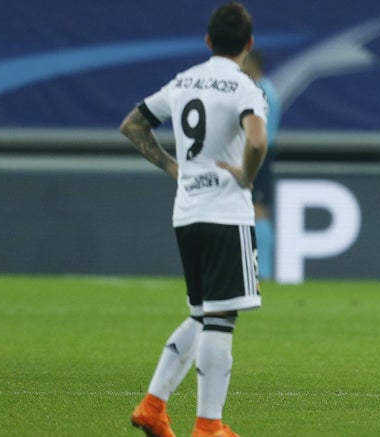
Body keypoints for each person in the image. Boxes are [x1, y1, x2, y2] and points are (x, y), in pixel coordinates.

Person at [120, 2, 267, 436]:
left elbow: (132, 125)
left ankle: (152, 405)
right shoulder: (245, 86)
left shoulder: (183, 81)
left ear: (208, 41)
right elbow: (256, 141)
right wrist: (245, 177)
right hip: (225, 213)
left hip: (187, 213)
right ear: (249, 44)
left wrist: (173, 168)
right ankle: (209, 426)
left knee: (202, 314)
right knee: (221, 319)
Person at [241, 50, 281, 280]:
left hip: (258, 154)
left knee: (259, 210)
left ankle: (263, 269)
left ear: (251, 64)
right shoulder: (267, 89)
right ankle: (256, 267)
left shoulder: (261, 91)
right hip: (261, 153)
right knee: (255, 210)